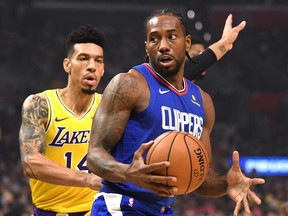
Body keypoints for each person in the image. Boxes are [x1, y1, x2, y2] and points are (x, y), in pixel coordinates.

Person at [87, 8, 265, 216]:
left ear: (187, 43)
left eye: (172, 37)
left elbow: (199, 178)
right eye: (154, 39)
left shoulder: (203, 103)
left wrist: (226, 184)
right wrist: (128, 173)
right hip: (120, 205)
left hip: (162, 210)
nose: (163, 46)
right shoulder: (129, 84)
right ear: (147, 46)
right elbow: (94, 156)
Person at [19, 24, 105, 216]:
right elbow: (30, 162)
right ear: (67, 65)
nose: (91, 66)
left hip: (95, 210)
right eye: (83, 59)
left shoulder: (108, 108)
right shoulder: (40, 104)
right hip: (49, 210)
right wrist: (87, 179)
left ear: (103, 70)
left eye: (98, 61)